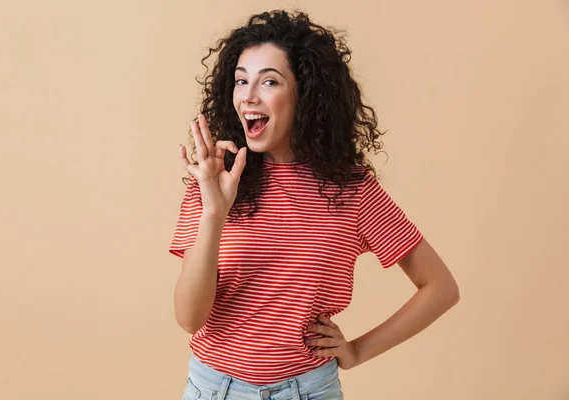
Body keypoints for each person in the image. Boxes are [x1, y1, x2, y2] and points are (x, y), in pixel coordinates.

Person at [169, 9, 460, 400]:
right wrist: (214, 211)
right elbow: (190, 318)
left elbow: (440, 288)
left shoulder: (353, 189)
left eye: (269, 81)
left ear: (304, 92)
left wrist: (357, 351)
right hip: (213, 389)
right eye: (241, 81)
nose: (248, 96)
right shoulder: (215, 178)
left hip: (308, 391)